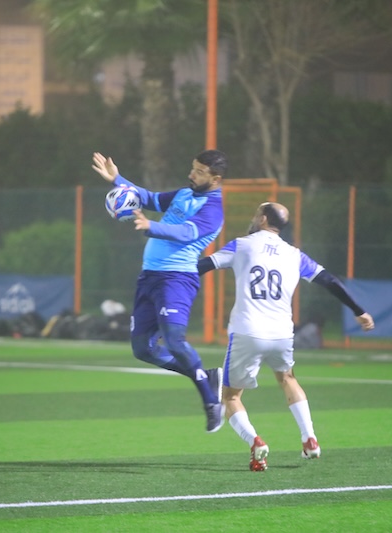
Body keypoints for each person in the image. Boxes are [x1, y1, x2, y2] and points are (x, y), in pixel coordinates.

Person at [197, 202, 375, 471]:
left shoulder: (242, 245)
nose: (254, 216)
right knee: (288, 379)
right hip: (282, 333)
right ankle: (310, 439)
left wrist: (170, 279)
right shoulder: (295, 255)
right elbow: (330, 281)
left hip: (248, 331)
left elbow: (204, 265)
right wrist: (359, 310)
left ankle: (255, 442)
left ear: (263, 218)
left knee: (230, 397)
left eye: (257, 212)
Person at [92, 150, 229, 432]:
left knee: (175, 341)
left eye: (199, 172)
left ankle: (211, 402)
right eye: (193, 168)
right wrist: (117, 179)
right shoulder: (184, 193)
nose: (191, 175)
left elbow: (186, 233)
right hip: (149, 277)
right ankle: (205, 376)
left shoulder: (213, 210)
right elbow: (150, 199)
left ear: (216, 179)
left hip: (176, 280)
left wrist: (151, 226)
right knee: (142, 349)